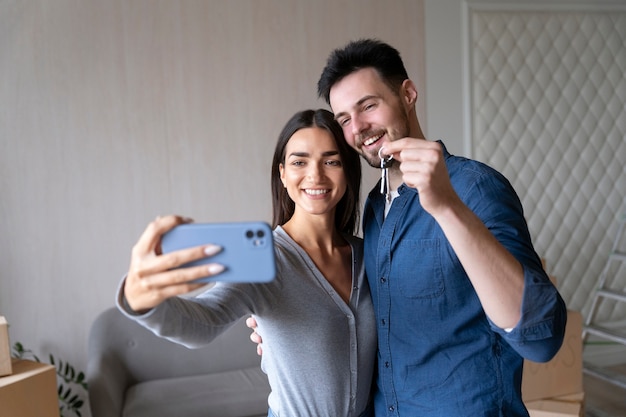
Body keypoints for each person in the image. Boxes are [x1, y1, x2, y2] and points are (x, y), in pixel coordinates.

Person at [251, 39, 568, 416]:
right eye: (345, 119)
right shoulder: (374, 206)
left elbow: (541, 338)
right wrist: (283, 332)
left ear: (408, 93)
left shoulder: (473, 187)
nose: (359, 128)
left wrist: (446, 206)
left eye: (369, 105)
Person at [116, 109, 377, 417]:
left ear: (348, 169)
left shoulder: (368, 254)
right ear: (282, 173)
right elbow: (203, 322)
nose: (315, 175)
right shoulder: (266, 259)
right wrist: (141, 302)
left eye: (331, 161)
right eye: (299, 162)